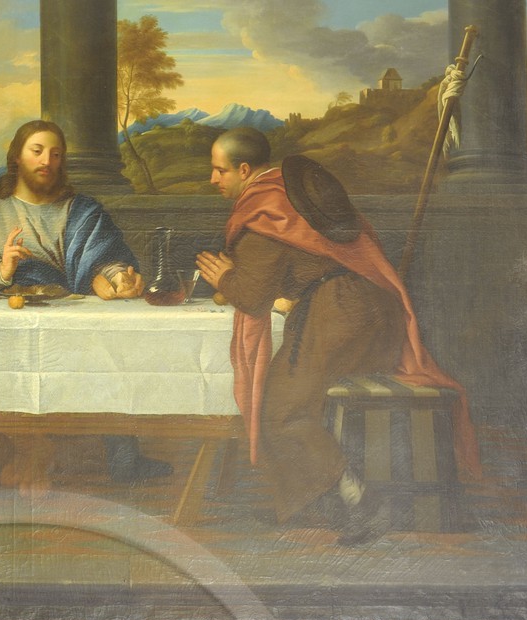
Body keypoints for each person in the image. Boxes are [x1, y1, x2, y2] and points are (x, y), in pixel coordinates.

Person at [195, 128, 479, 536]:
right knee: (299, 400)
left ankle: (361, 501)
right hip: (377, 315)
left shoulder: (262, 214)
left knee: (279, 411)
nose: (213, 180)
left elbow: (253, 297)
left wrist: (224, 277)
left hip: (340, 315)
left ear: (244, 170)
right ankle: (317, 505)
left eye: (219, 171)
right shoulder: (295, 192)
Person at [0, 119, 171, 484]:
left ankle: (123, 460)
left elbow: (107, 259)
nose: (46, 161)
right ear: (17, 158)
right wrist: (3, 269)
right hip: (15, 334)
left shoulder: (85, 210)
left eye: (55, 154)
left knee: (112, 364)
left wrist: (120, 279)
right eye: (37, 151)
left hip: (79, 329)